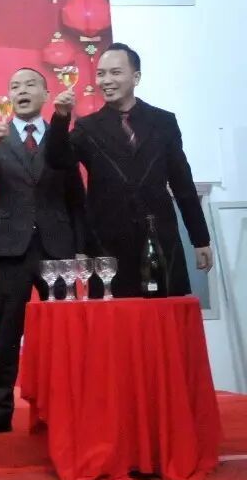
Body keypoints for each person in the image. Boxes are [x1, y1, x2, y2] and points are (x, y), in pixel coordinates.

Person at [0, 68, 87, 435]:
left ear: (46, 95)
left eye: (31, 84)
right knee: (5, 332)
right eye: (15, 85)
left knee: (62, 333)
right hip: (8, 248)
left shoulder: (61, 137)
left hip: (56, 247)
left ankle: (64, 406)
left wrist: (81, 249)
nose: (22, 90)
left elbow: (76, 199)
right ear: (8, 96)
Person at [46, 43, 212, 296]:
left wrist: (200, 239)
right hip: (107, 246)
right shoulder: (87, 127)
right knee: (115, 316)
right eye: (100, 74)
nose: (106, 80)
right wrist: (60, 118)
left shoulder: (163, 122)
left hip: (159, 239)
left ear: (136, 77)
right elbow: (57, 160)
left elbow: (182, 183)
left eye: (115, 72)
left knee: (164, 313)